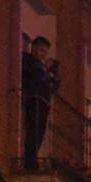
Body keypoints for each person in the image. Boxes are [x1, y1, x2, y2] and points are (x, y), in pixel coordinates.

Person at [21, 35, 60, 170]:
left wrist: (52, 74)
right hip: (33, 99)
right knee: (33, 130)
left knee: (40, 131)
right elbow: (36, 77)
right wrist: (45, 70)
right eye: (41, 50)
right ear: (34, 48)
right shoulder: (28, 60)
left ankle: (33, 157)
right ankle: (29, 160)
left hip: (43, 102)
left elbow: (54, 86)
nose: (43, 55)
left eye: (45, 52)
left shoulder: (43, 67)